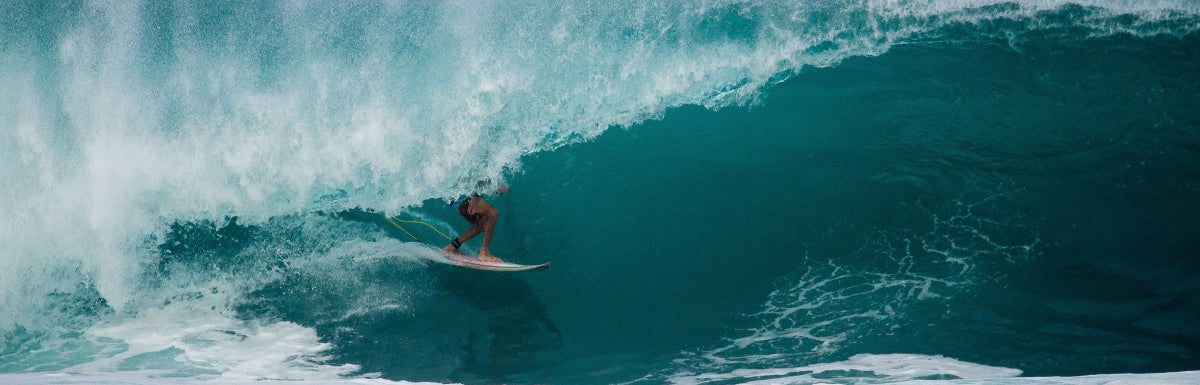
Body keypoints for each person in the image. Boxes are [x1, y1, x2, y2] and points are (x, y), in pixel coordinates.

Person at [444, 183, 510, 262]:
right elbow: (470, 174)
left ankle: (452, 247)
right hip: (461, 192)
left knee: (482, 224)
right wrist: (474, 196)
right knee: (493, 214)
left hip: (451, 194)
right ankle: (484, 253)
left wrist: (496, 189)